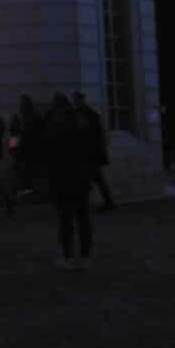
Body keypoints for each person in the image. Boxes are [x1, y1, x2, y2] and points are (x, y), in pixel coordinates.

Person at [46, 92, 94, 270]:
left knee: (66, 219)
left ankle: (67, 257)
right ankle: (85, 257)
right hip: (81, 176)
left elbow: (52, 154)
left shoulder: (56, 124)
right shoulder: (82, 122)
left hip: (64, 177)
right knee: (83, 218)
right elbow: (91, 148)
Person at [73, 91, 116, 212]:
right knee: (94, 179)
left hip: (90, 153)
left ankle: (106, 203)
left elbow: (95, 135)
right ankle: (107, 202)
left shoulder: (89, 115)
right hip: (89, 153)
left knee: (93, 179)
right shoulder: (87, 114)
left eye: (76, 100)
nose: (75, 103)